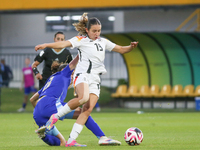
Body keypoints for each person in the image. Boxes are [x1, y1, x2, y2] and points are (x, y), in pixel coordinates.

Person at [35, 12, 138, 147]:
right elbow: (63, 44)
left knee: (87, 109)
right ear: (87, 30)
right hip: (82, 75)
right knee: (83, 98)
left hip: (95, 79)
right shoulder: (81, 40)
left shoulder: (103, 42)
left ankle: (72, 140)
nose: (97, 33)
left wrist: (130, 47)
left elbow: (121, 49)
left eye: (99, 31)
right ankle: (55, 117)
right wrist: (46, 45)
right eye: (94, 31)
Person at [31, 55, 116, 146]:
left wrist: (42, 110)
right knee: (83, 113)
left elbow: (32, 99)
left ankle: (44, 135)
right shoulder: (64, 73)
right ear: (65, 71)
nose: (74, 76)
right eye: (73, 73)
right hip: (51, 104)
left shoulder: (51, 81)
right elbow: (76, 60)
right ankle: (102, 137)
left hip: (37, 111)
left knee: (61, 143)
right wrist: (84, 50)